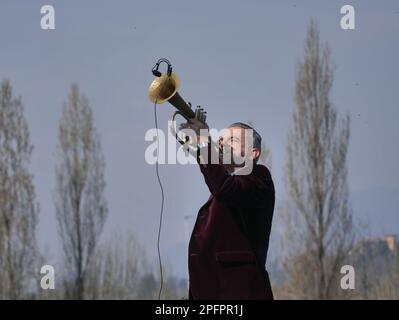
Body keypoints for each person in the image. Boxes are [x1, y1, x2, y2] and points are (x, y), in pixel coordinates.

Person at [179, 119, 275, 300]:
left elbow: (225, 188)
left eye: (233, 140)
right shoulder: (229, 184)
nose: (222, 144)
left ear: (253, 153)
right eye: (221, 140)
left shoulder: (259, 177)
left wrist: (203, 144)